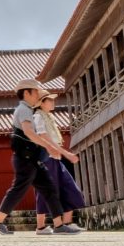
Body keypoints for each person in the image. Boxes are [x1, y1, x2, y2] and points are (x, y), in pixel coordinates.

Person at [0, 79, 79, 235]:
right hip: (26, 159)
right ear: (26, 93)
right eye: (35, 91)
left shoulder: (28, 110)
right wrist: (49, 146)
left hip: (33, 158)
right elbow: (29, 132)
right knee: (18, 189)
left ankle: (58, 225)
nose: (38, 94)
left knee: (49, 189)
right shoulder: (23, 110)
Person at [32, 92, 86, 234]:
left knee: (69, 187)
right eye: (49, 100)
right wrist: (66, 153)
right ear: (41, 103)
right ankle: (43, 226)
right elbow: (43, 137)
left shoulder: (48, 117)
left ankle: (66, 222)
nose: (53, 102)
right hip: (45, 158)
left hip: (54, 158)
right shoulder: (38, 117)